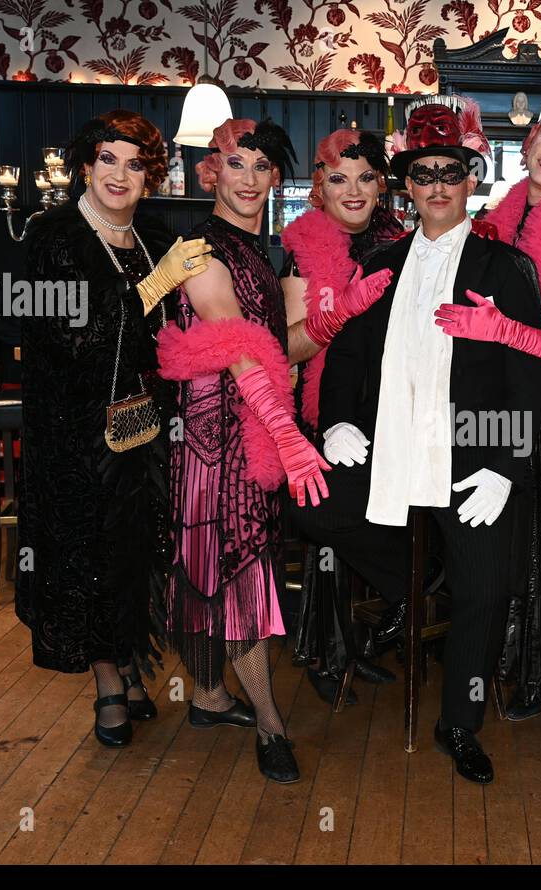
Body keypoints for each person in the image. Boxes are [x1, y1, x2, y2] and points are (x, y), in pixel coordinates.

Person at [289, 96, 541, 784]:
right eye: (424, 173)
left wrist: (505, 466)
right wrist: (338, 419)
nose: (437, 185)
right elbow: (342, 353)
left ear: (472, 178)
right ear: (407, 183)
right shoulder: (380, 259)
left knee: (488, 590)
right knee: (310, 503)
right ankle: (418, 582)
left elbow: (529, 378)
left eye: (450, 171)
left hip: (472, 452)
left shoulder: (505, 271)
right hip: (391, 450)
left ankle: (460, 721)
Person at [18, 110, 211, 748]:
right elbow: (79, 340)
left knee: (137, 554)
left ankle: (130, 666)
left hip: (144, 434)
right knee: (89, 558)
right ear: (85, 164)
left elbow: (174, 334)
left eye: (134, 163)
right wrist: (155, 287)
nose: (119, 174)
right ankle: (107, 685)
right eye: (108, 159)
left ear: (151, 175)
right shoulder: (54, 237)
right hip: (74, 440)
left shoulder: (154, 237)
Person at [155, 118, 334, 783]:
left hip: (251, 422)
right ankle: (269, 723)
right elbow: (233, 341)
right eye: (237, 164)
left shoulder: (266, 252)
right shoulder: (196, 247)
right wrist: (285, 434)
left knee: (232, 560)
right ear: (212, 172)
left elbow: (281, 345)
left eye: (263, 167)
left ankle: (208, 696)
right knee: (239, 566)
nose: (250, 178)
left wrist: (333, 318)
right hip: (215, 434)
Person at [436, 98, 541, 720]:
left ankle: (535, 670)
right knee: (501, 547)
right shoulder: (502, 215)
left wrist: (506, 331)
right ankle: (498, 663)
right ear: (530, 139)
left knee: (533, 546)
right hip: (499, 399)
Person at [279, 129, 403, 703]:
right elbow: (289, 347)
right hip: (313, 410)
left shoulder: (401, 244)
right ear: (318, 191)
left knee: (383, 514)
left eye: (365, 178)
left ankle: (356, 643)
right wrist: (343, 313)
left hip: (384, 411)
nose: (352, 190)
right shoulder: (301, 249)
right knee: (324, 520)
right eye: (337, 179)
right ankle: (329, 653)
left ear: (381, 186)